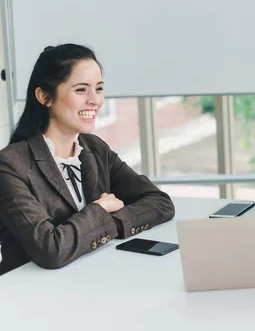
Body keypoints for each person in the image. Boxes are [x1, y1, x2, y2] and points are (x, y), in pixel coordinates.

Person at [0, 44, 175, 275]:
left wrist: (108, 223)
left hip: (92, 278)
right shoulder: (11, 165)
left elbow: (160, 203)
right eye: (81, 90)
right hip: (32, 294)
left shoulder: (94, 148)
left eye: (99, 88)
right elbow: (51, 249)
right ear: (45, 96)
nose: (95, 100)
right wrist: (100, 210)